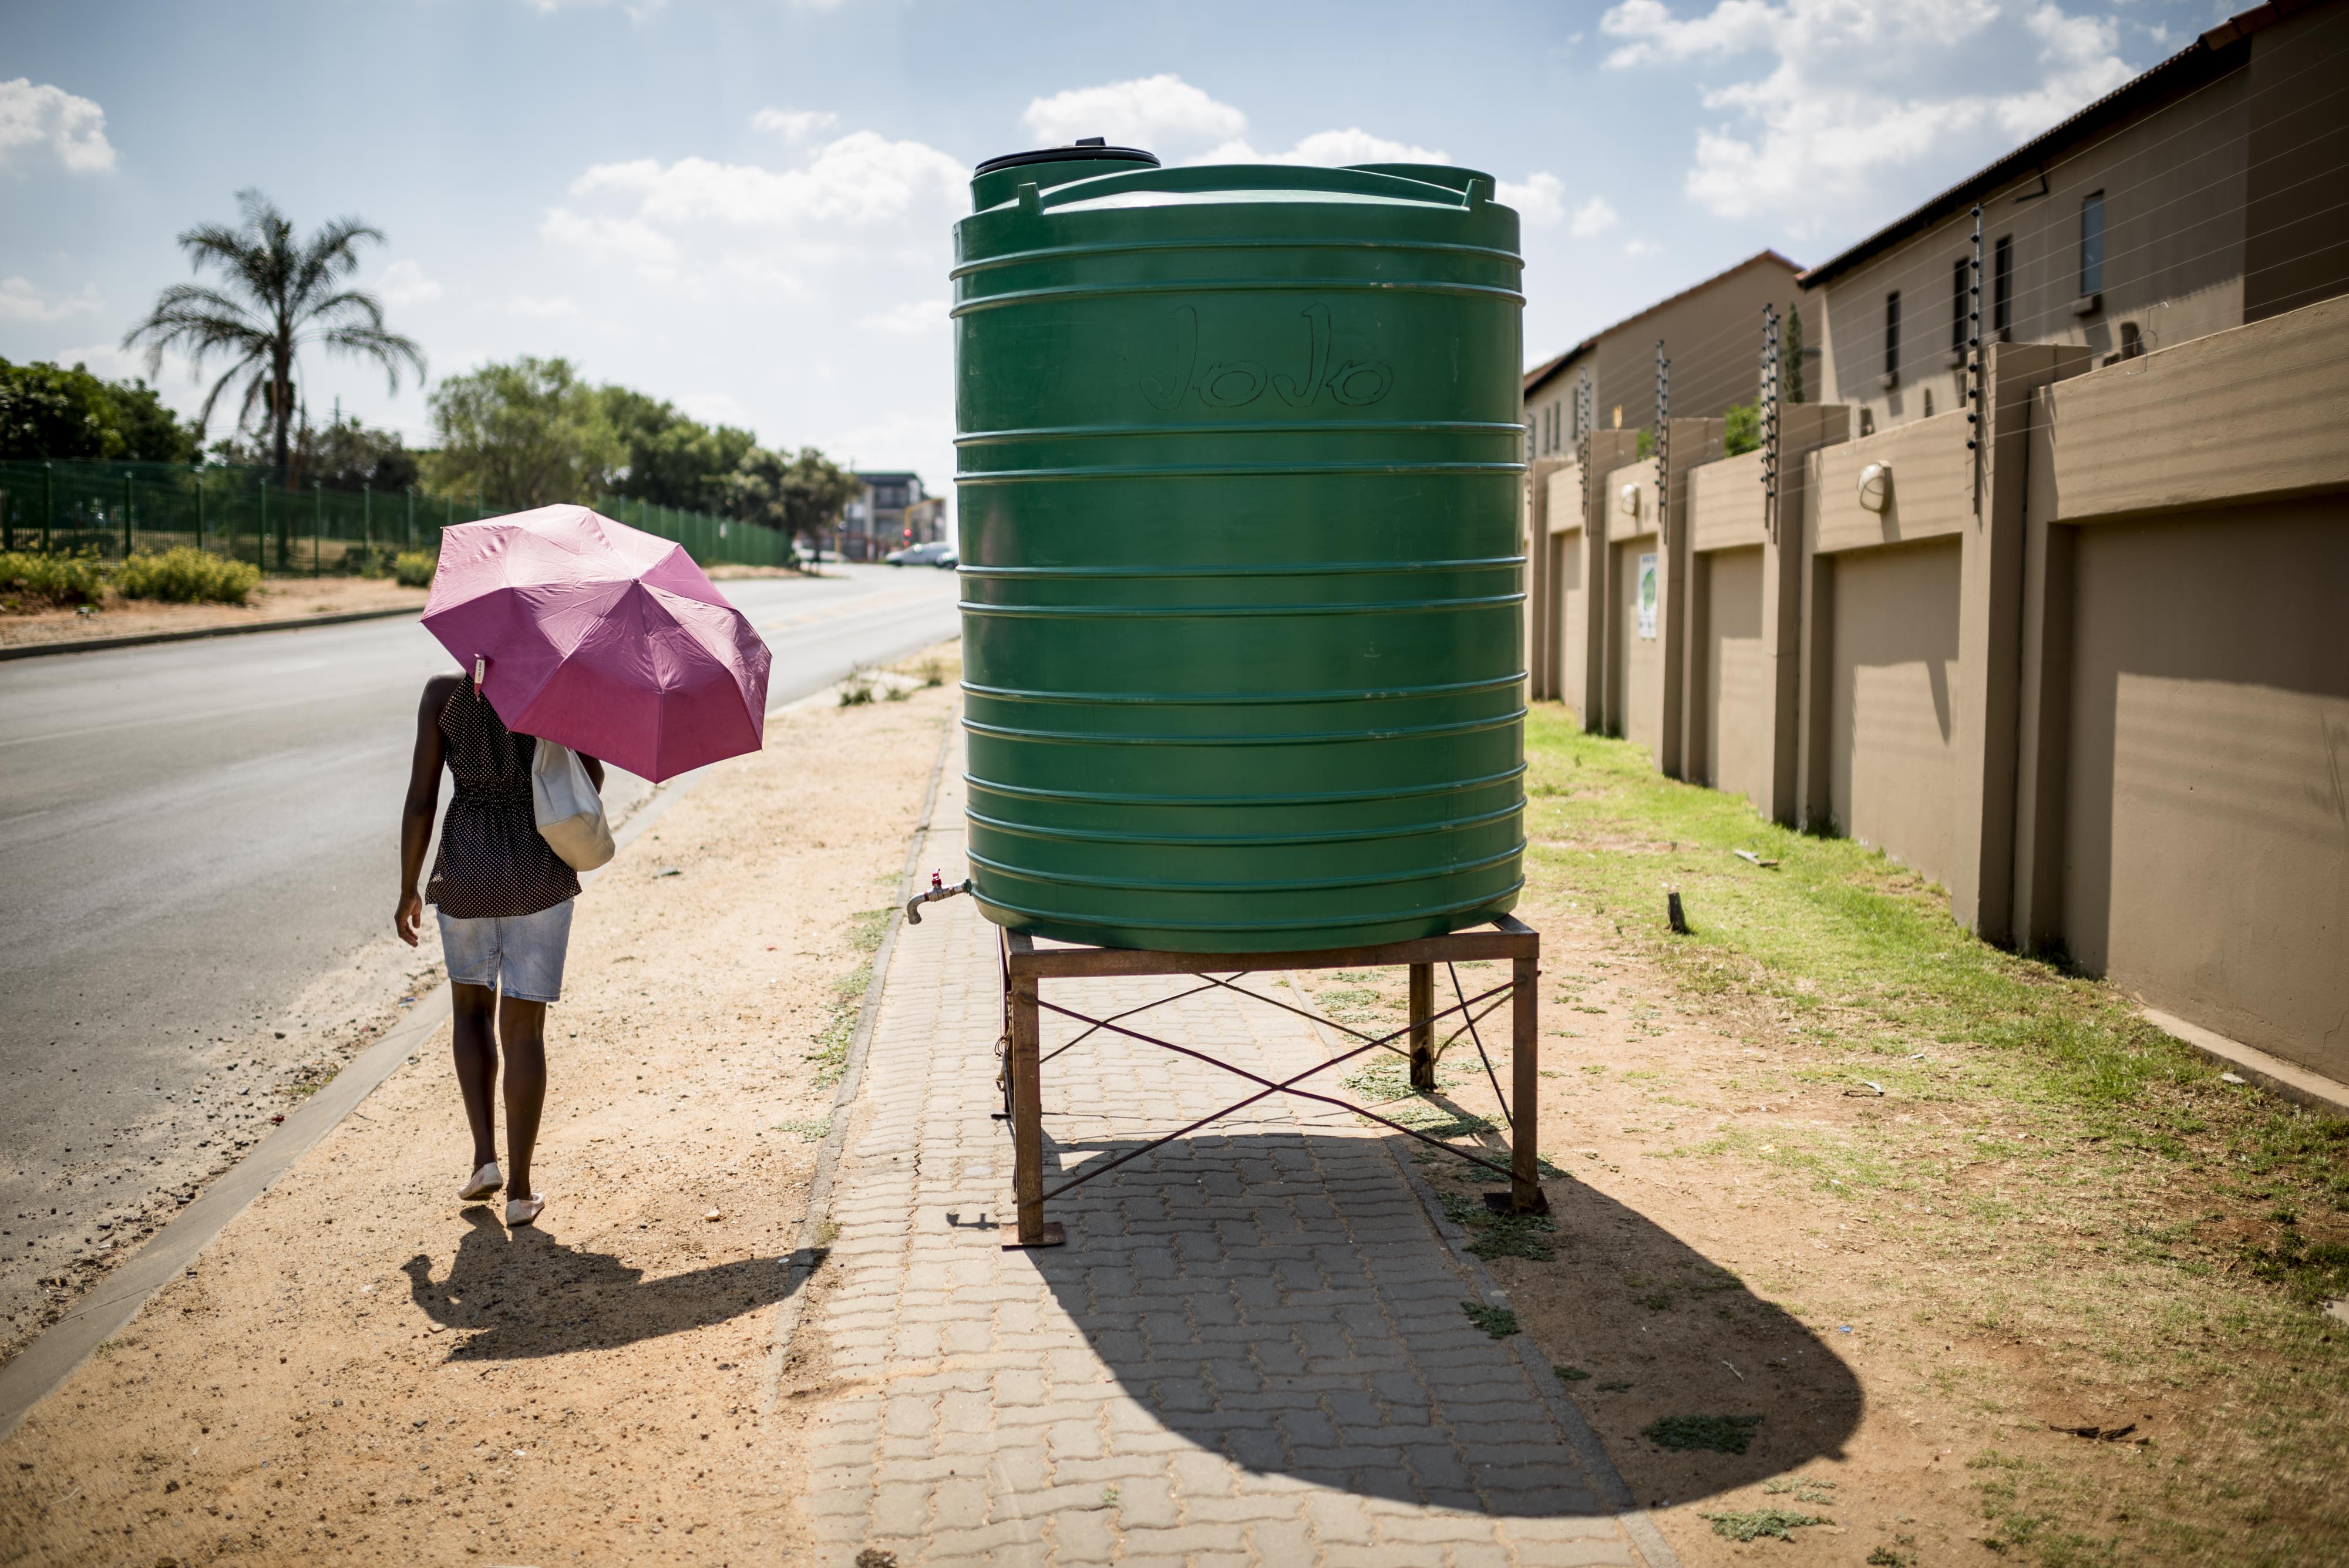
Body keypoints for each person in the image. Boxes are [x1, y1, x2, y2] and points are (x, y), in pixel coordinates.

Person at [395, 668, 602, 1228]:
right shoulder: (551, 686)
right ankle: (521, 1191)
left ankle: (484, 1160)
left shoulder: (442, 693)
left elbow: (421, 800)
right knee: (524, 1030)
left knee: (470, 1014)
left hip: (465, 867)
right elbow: (591, 778)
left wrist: (408, 888)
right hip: (538, 868)